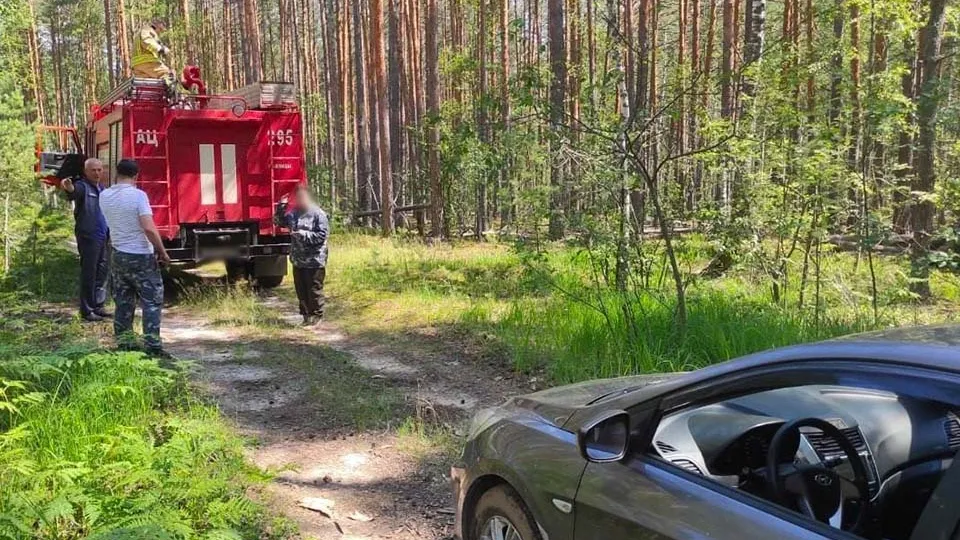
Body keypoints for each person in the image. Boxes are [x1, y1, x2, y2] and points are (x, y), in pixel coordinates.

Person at [99, 159, 172, 357]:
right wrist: (162, 252)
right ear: (136, 176)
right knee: (151, 302)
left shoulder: (104, 195)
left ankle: (125, 345)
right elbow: (148, 227)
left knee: (123, 301)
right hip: (140, 255)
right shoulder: (139, 196)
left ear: (117, 173)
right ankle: (153, 347)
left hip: (117, 254)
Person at [62, 158, 110, 322]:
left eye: (99, 170)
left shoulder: (102, 189)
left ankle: (98, 305)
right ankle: (87, 310)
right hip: (89, 236)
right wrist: (69, 188)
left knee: (102, 271)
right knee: (89, 273)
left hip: (103, 236)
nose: (97, 173)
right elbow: (73, 192)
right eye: (93, 170)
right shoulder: (83, 187)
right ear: (86, 172)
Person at [274, 185, 329, 325]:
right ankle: (305, 316)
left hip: (315, 260)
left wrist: (303, 235)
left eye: (302, 197)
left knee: (314, 289)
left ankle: (316, 317)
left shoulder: (318, 214)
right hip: (298, 259)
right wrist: (281, 206)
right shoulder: (294, 213)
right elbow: (279, 222)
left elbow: (322, 236)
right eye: (298, 198)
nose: (300, 200)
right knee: (301, 290)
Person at [132, 19, 176, 89]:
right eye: (160, 30)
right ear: (156, 26)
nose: (160, 33)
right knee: (167, 74)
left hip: (137, 66)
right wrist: (160, 49)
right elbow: (146, 41)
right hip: (147, 62)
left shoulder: (140, 33)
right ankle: (172, 94)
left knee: (147, 86)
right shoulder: (147, 30)